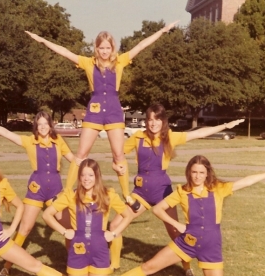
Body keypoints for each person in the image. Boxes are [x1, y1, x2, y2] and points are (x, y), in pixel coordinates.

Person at [25, 21, 179, 207]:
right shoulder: (88, 63)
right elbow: (65, 52)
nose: (105, 51)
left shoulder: (120, 61)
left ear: (112, 48)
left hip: (114, 111)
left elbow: (141, 45)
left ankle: (126, 195)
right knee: (81, 153)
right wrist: (42, 40)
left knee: (118, 155)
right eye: (101, 47)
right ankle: (67, 193)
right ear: (96, 48)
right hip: (94, 112)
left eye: (107, 47)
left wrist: (162, 31)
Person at [107, 155, 265, 276]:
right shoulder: (182, 192)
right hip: (187, 242)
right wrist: (177, 224)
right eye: (194, 172)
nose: (197, 176)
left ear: (207, 173)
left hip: (211, 247)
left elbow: (246, 181)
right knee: (149, 267)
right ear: (189, 173)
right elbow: (158, 209)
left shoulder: (218, 188)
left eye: (201, 172)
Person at [109, 103, 245, 274]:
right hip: (141, 192)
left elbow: (198, 133)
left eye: (157, 119)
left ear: (163, 121)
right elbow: (118, 155)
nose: (153, 123)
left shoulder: (170, 137)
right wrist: (116, 165)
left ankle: (186, 266)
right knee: (115, 224)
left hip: (162, 192)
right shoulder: (137, 137)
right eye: (150, 119)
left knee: (174, 231)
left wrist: (225, 125)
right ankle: (113, 265)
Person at [0, 112, 74, 276]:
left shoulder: (58, 141)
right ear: (36, 127)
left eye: (46, 123)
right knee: (25, 228)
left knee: (69, 227)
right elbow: (6, 133)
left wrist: (84, 172)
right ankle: (7, 265)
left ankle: (74, 263)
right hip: (36, 189)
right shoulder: (29, 141)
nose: (43, 127)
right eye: (40, 124)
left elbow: (74, 160)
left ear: (51, 125)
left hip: (56, 190)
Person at [43, 159, 133, 276]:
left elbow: (127, 215)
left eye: (90, 175)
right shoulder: (70, 195)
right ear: (79, 177)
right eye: (83, 175)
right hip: (77, 253)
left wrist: (114, 233)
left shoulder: (108, 195)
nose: (86, 179)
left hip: (100, 253)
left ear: (97, 176)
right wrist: (64, 231)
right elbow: (47, 214)